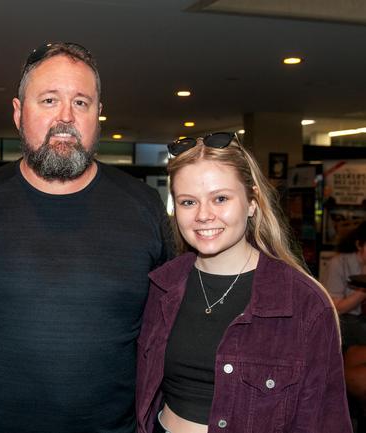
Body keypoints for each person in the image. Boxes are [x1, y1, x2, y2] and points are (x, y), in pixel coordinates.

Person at [0, 42, 174, 433]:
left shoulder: (144, 207)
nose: (66, 117)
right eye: (49, 100)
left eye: (81, 103)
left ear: (99, 115)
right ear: (19, 113)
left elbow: (167, 327)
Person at [136, 133, 351, 433]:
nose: (203, 215)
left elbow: (326, 420)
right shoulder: (161, 287)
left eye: (220, 198)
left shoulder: (303, 302)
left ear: (252, 202)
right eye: (188, 202)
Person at [322, 221, 366, 348]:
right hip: (343, 321)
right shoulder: (338, 264)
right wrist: (363, 290)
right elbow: (336, 308)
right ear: (359, 245)